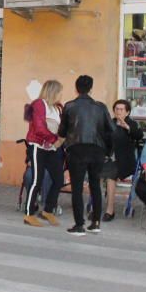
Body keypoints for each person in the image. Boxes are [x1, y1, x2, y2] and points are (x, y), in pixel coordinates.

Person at [58, 75, 115, 236]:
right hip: (97, 150)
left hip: (76, 149)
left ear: (76, 88)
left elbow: (62, 131)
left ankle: (79, 224)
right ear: (91, 88)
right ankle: (95, 222)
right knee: (95, 185)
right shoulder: (101, 107)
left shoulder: (69, 106)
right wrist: (107, 151)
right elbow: (111, 131)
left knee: (77, 188)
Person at [23, 79, 64, 226]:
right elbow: (39, 128)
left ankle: (47, 210)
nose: (61, 94)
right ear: (53, 91)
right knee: (36, 180)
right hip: (38, 147)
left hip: (51, 148)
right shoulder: (39, 104)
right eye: (59, 91)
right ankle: (28, 214)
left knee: (59, 180)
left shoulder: (58, 108)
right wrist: (55, 139)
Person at [102, 99, 144, 221]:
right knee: (96, 174)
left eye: (121, 109)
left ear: (127, 112)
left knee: (110, 177)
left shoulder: (132, 124)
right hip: (108, 160)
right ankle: (96, 206)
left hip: (125, 162)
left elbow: (139, 135)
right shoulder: (110, 123)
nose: (118, 111)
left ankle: (110, 210)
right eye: (116, 109)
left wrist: (127, 128)